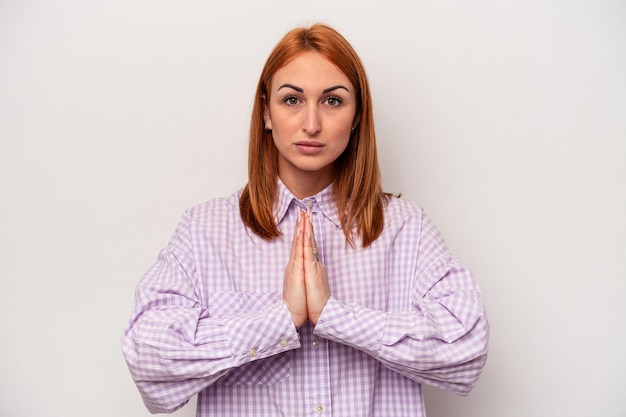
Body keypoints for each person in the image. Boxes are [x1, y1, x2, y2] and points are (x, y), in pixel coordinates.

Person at [121, 23, 488, 417]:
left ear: (357, 116)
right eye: (292, 99)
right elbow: (147, 356)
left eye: (332, 101)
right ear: (266, 112)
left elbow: (468, 347)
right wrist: (279, 321)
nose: (311, 123)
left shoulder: (405, 228)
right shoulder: (205, 231)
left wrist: (336, 317)